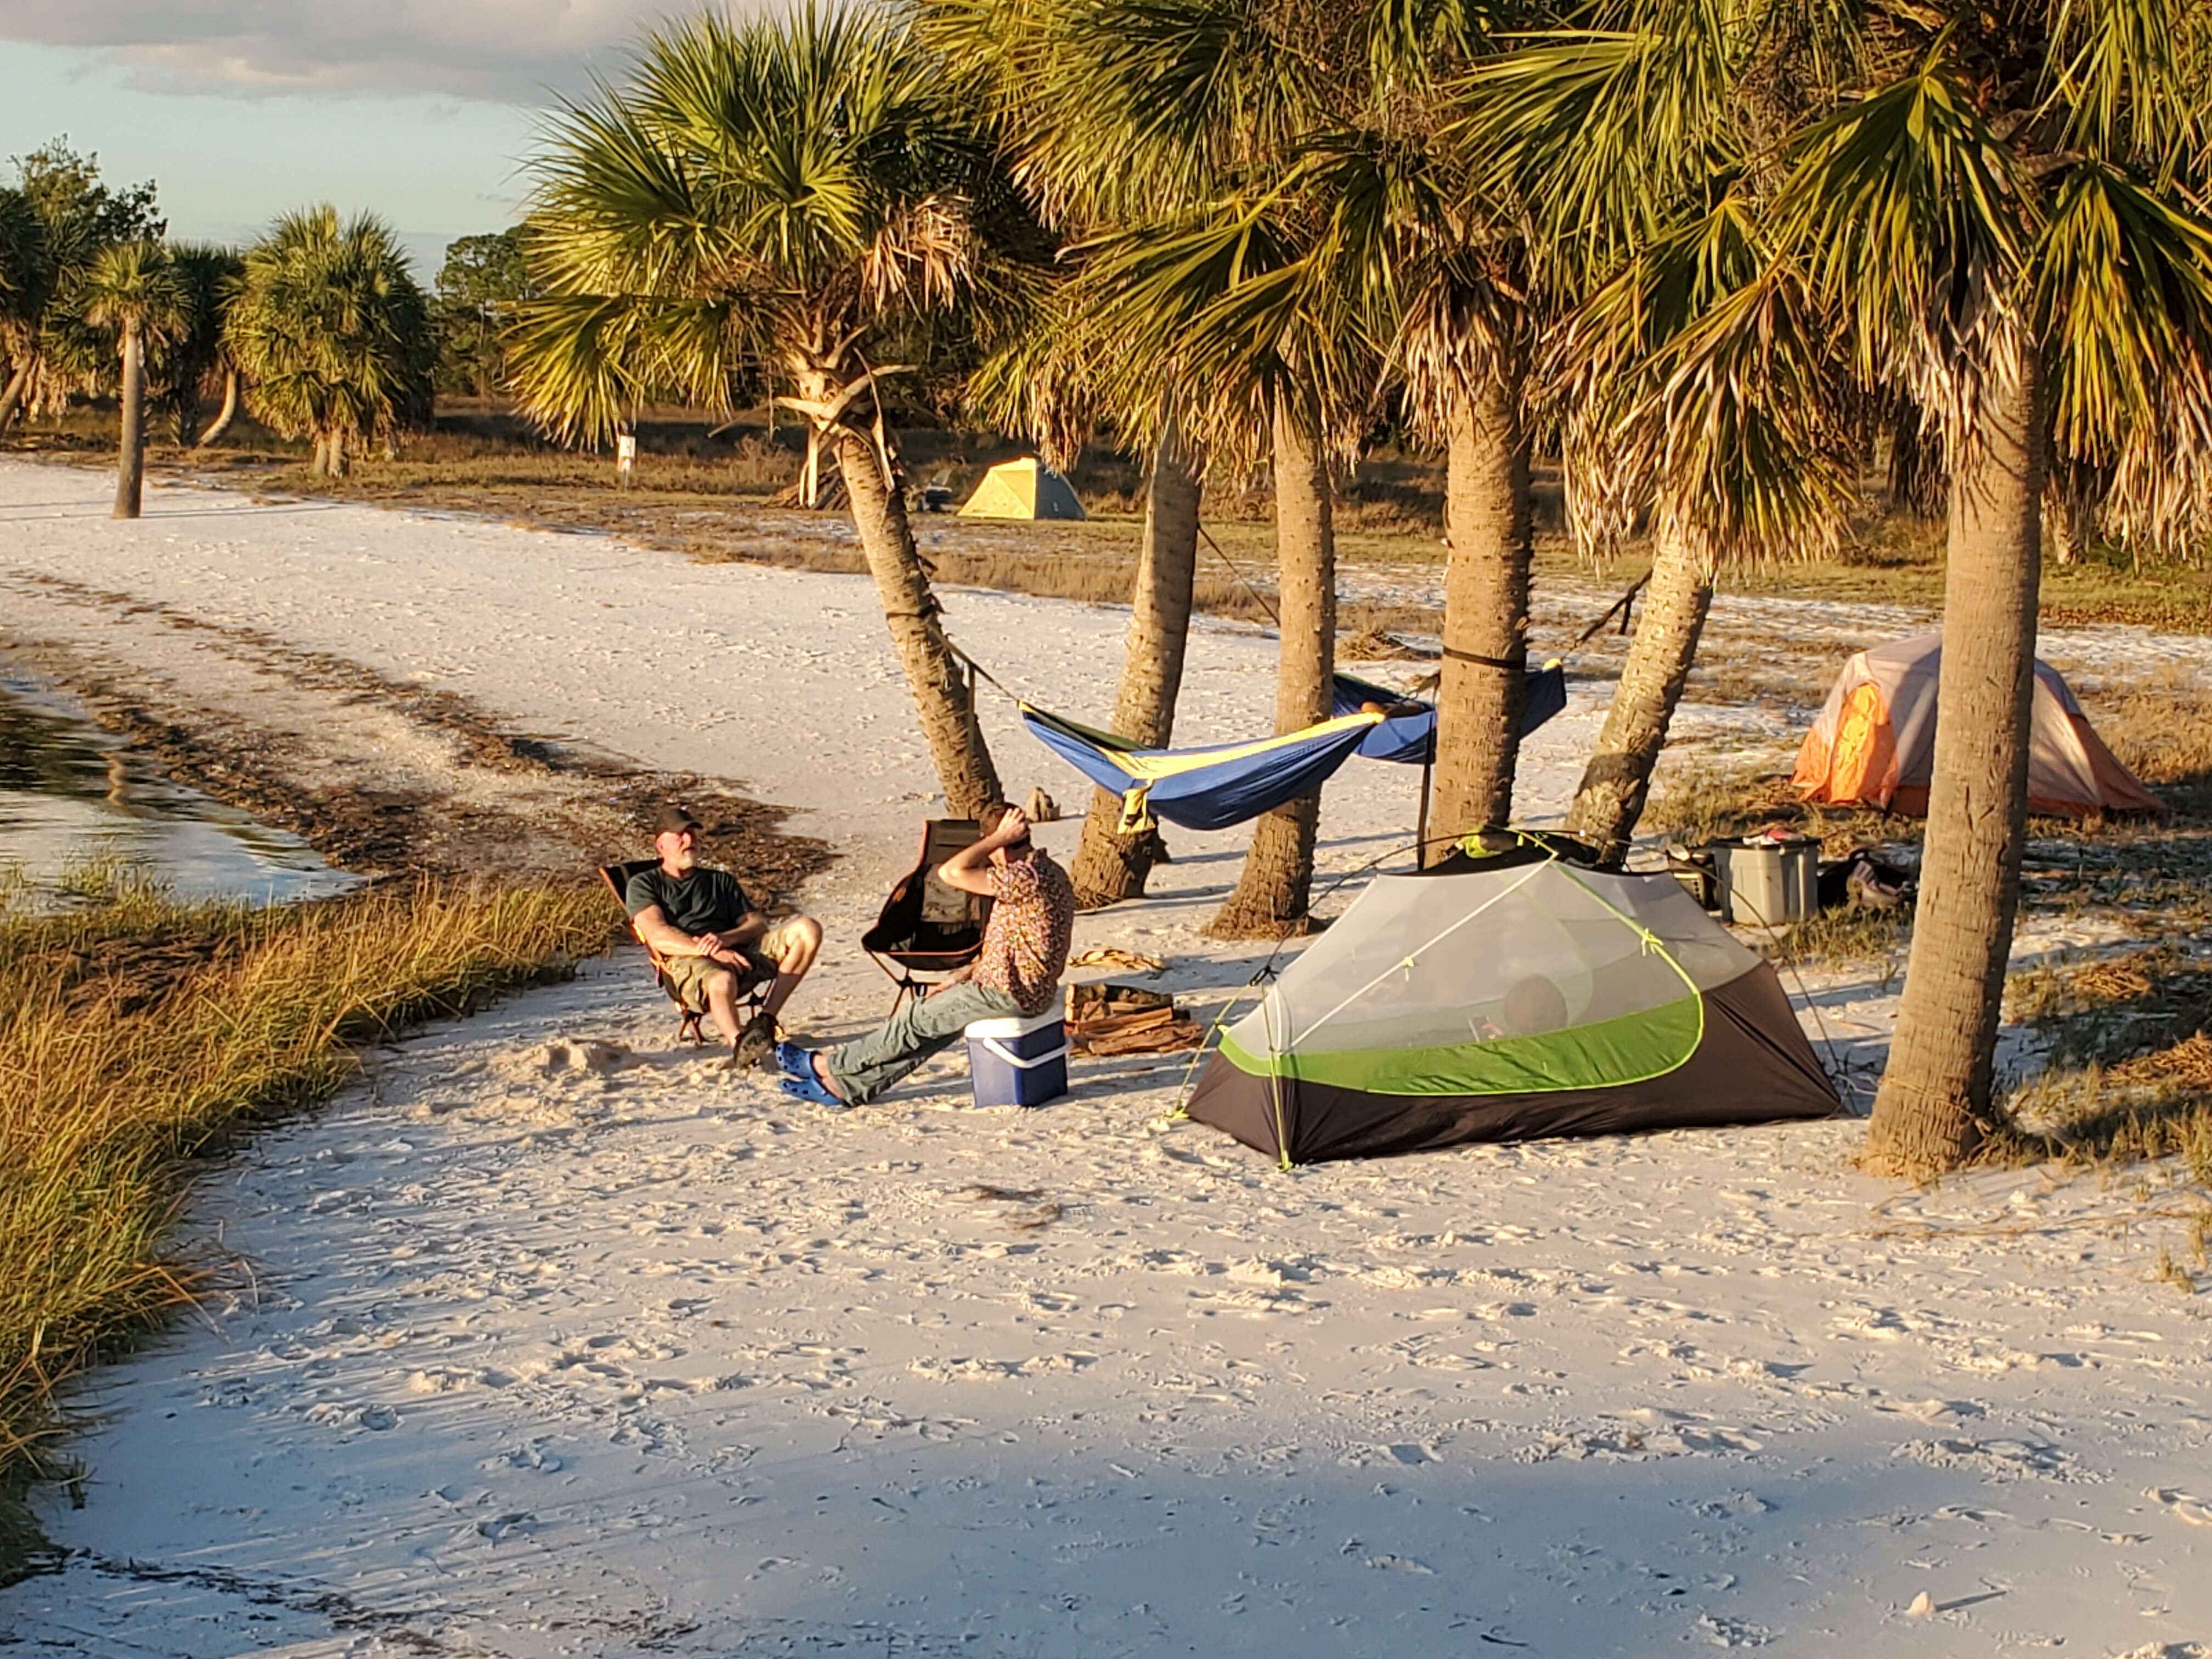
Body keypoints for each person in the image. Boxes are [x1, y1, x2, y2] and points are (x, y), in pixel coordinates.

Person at [778, 802, 1074, 1109]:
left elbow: (950, 872)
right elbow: (1022, 944)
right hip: (1021, 988)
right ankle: (846, 1089)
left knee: (914, 1020)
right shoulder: (1048, 870)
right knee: (932, 1027)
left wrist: (995, 839)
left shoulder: (1024, 878)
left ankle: (829, 1066)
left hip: (1008, 992)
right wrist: (963, 976)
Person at [624, 804, 823, 1068]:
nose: (690, 841)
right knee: (722, 979)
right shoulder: (645, 884)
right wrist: (711, 950)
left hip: (737, 951)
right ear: (660, 846)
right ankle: (740, 1044)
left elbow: (756, 924)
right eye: (680, 836)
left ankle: (764, 1022)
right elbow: (657, 935)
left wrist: (727, 940)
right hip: (685, 963)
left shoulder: (720, 881)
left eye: (693, 834)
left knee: (808, 929)